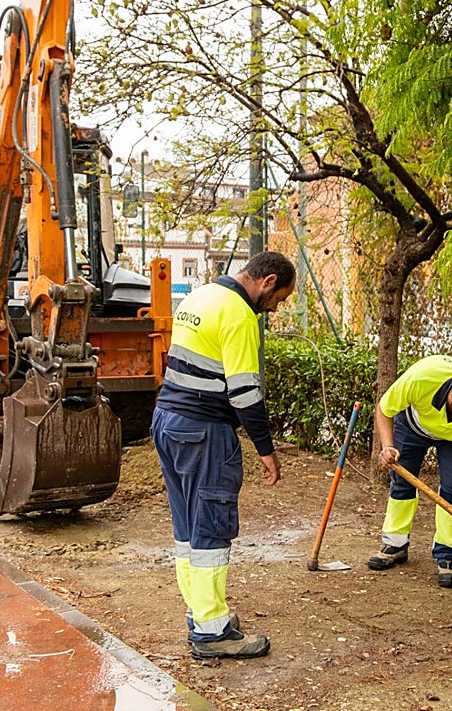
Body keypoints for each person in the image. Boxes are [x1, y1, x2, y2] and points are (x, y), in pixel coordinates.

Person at [152, 251, 296, 660]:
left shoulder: (201, 296)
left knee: (187, 528)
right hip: (204, 431)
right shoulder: (238, 313)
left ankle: (201, 613)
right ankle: (212, 631)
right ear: (268, 281)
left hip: (168, 422)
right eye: (279, 299)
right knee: (211, 528)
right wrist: (266, 450)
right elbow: (245, 393)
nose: (274, 308)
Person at [370, 357, 452, 588]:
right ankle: (395, 543)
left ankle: (447, 554)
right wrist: (388, 446)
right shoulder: (421, 379)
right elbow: (384, 409)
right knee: (402, 481)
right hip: (413, 425)